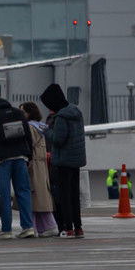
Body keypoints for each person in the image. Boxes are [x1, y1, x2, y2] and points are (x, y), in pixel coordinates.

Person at [0, 91, 36, 239]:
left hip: (2, 160)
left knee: (4, 194)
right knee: (23, 191)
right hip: (21, 157)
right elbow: (28, 135)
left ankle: (6, 229)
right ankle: (28, 227)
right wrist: (29, 155)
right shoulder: (17, 112)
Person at [40, 82, 86, 238]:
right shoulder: (76, 113)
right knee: (74, 195)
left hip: (63, 161)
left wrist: (46, 131)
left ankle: (67, 227)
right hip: (76, 160)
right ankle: (78, 227)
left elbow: (58, 140)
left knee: (64, 196)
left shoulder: (60, 117)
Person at [20, 102, 59, 237]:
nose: (21, 115)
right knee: (42, 196)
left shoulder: (29, 127)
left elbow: (28, 145)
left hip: (33, 164)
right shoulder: (42, 126)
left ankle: (33, 227)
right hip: (42, 166)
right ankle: (47, 226)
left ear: (29, 113)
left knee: (32, 196)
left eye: (23, 112)